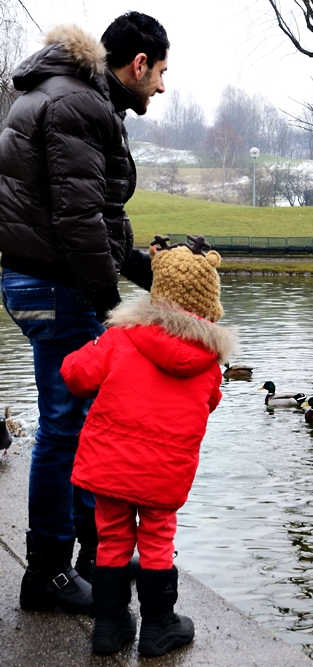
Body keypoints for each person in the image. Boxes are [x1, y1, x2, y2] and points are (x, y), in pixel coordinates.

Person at [0, 13, 168, 614]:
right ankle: (46, 573)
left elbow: (89, 213)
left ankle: (89, 558)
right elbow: (76, 222)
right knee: (66, 425)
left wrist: (150, 268)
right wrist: (111, 306)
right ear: (139, 63)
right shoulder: (78, 104)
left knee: (78, 419)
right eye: (162, 73)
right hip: (55, 283)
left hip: (35, 276)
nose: (163, 88)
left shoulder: (69, 93)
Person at [62, 235, 236, 656]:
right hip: (163, 472)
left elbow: (75, 376)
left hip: (111, 465)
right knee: (157, 540)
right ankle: (159, 627)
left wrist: (101, 346)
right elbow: (210, 403)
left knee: (113, 539)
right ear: (208, 302)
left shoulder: (121, 338)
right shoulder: (208, 364)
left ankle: (109, 625)